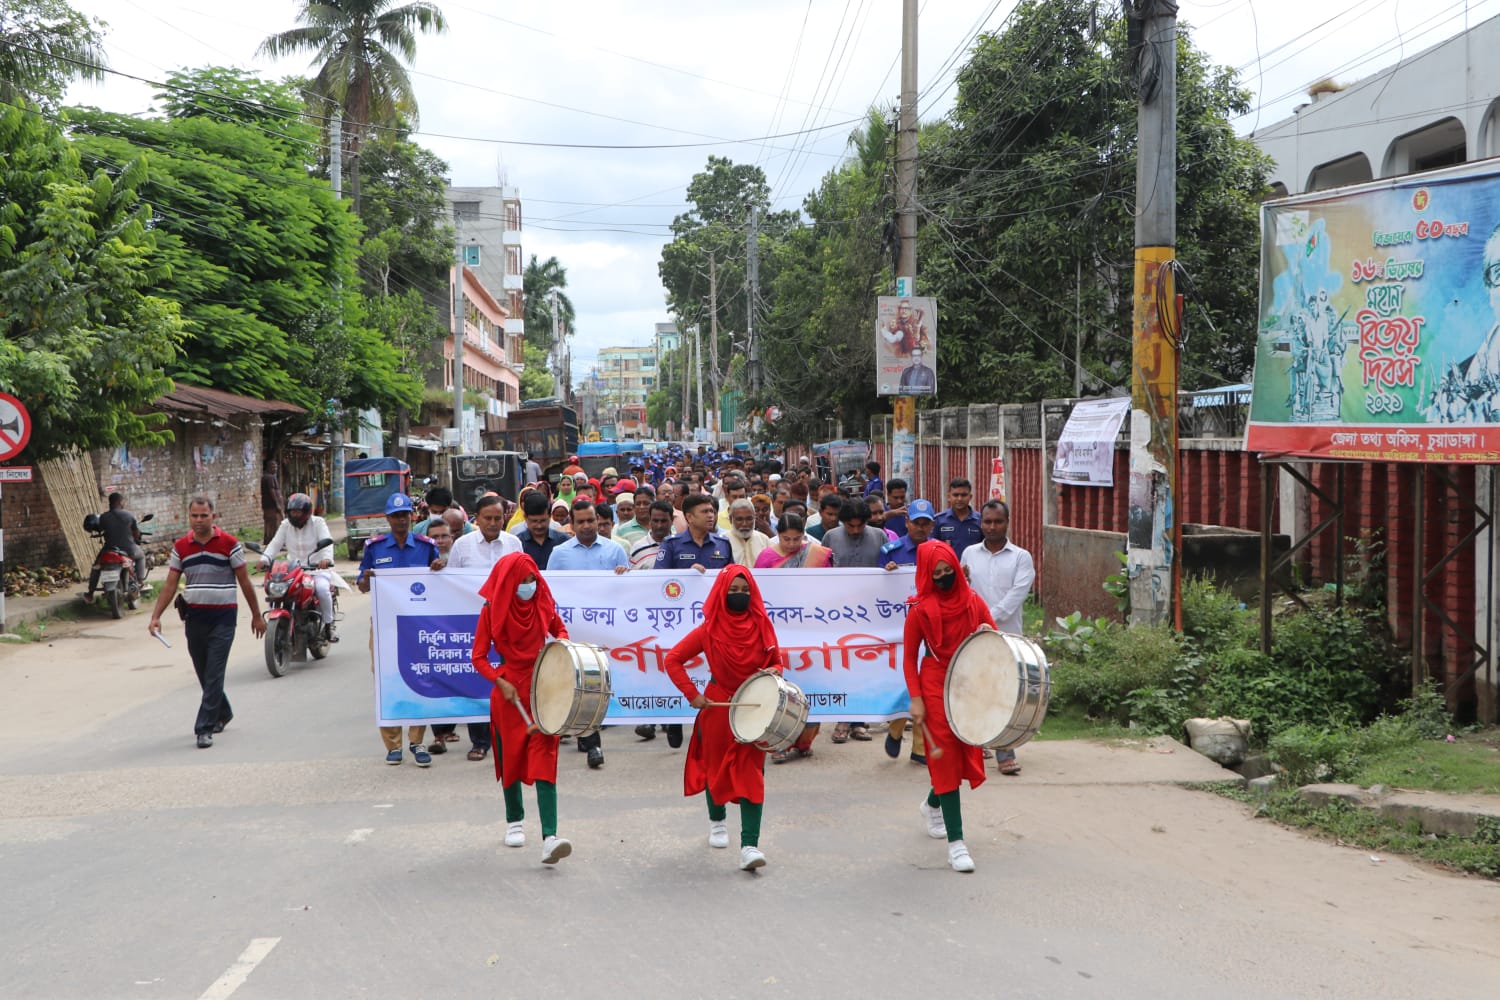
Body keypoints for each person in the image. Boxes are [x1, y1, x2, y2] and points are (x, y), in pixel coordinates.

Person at [663, 566, 781, 872]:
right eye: (733, 591)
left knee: (752, 773)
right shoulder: (709, 630)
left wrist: (773, 673)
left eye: (745, 591)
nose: (740, 596)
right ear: (721, 593)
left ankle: (750, 845)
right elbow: (672, 659)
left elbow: (777, 663)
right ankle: (717, 822)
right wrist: (692, 694)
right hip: (717, 707)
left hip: (754, 707)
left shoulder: (762, 626)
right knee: (715, 770)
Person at [470, 553, 574, 865]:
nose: (529, 586)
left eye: (532, 580)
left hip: (543, 687)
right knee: (511, 758)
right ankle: (514, 820)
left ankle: (550, 837)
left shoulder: (542, 602)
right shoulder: (491, 610)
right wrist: (499, 679)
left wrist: (560, 650)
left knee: (545, 758)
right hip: (509, 691)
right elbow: (478, 657)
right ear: (507, 583)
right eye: (522, 581)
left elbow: (561, 631)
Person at [147, 495, 266, 748]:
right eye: (194, 516)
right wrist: (156, 616)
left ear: (213, 516)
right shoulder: (181, 547)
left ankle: (204, 728)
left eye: (204, 515)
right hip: (195, 618)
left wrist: (256, 615)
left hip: (223, 618)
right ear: (188, 517)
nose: (199, 520)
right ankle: (222, 712)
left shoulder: (229, 544)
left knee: (214, 672)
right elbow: (170, 584)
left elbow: (244, 581)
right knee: (203, 671)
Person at [905, 541, 992, 873]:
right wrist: (916, 698)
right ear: (927, 575)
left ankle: (932, 804)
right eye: (936, 573)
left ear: (957, 568)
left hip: (967, 682)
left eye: (948, 571)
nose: (943, 577)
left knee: (960, 750)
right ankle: (957, 844)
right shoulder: (919, 610)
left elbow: (993, 638)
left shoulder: (973, 601)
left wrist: (986, 630)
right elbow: (909, 659)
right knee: (946, 759)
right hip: (934, 682)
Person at [356, 493, 442, 767]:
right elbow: (361, 584)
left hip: (418, 626)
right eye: (395, 516)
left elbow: (439, 581)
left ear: (412, 516)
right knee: (385, 678)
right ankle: (393, 745)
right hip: (384, 625)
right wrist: (366, 580)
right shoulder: (375, 547)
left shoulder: (426, 546)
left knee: (420, 677)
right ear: (388, 519)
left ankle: (417, 741)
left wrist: (440, 570)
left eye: (405, 515)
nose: (401, 520)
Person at [548, 499, 630, 770]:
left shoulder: (615, 550)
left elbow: (628, 593)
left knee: (598, 682)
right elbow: (551, 594)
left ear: (599, 521)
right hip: (573, 629)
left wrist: (624, 575)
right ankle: (589, 739)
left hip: (606, 629)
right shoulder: (559, 554)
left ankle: (591, 739)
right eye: (580, 521)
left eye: (590, 520)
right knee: (578, 681)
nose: (586, 526)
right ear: (571, 524)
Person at [442, 495, 522, 761]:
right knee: (479, 680)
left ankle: (511, 737)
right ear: (476, 519)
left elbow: (524, 580)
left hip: (510, 625)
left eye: (498, 518)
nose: (493, 523)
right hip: (475, 623)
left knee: (510, 678)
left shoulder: (514, 543)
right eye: (487, 518)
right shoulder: (462, 546)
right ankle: (480, 741)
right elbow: (451, 584)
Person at [960, 500, 1036, 776]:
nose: (992, 527)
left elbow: (1016, 596)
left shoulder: (1021, 557)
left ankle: (1005, 753)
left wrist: (987, 617)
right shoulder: (968, 554)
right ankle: (979, 742)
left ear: (1007, 523)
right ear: (981, 523)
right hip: (974, 636)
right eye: (987, 522)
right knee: (977, 689)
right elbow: (961, 590)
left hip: (1007, 637)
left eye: (997, 522)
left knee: (1006, 693)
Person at [882, 498, 936, 762]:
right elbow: (876, 590)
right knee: (903, 685)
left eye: (926, 524)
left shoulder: (939, 551)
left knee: (924, 685)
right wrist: (886, 572)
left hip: (930, 628)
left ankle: (918, 747)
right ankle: (895, 729)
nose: (920, 528)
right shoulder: (890, 550)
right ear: (907, 522)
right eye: (916, 523)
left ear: (932, 525)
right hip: (897, 629)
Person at [260, 492, 338, 641]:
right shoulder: (285, 525)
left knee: (322, 589)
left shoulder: (318, 523)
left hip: (316, 569)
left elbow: (327, 542)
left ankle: (329, 625)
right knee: (277, 591)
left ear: (306, 511)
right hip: (293, 570)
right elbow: (275, 544)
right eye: (292, 512)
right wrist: (264, 559)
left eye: (298, 512)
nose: (295, 515)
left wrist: (326, 559)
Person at [86, 491, 147, 601]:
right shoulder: (129, 515)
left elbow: (100, 529)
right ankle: (140, 582)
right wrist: (136, 538)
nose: (123, 503)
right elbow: (136, 532)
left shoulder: (103, 517)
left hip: (109, 549)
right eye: (123, 501)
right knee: (141, 556)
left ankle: (90, 593)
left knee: (96, 566)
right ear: (119, 502)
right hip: (129, 549)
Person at [513, 491, 569, 568]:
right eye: (534, 521)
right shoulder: (517, 544)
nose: (539, 526)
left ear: (549, 516)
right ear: (525, 518)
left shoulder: (564, 541)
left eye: (543, 521)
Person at [933, 478, 983, 559]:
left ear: (970, 497)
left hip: (973, 569)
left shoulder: (980, 520)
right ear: (949, 497)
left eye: (964, 495)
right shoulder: (938, 520)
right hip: (948, 569)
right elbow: (933, 548)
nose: (959, 499)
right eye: (955, 495)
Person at [629, 500, 675, 571]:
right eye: (655, 521)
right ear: (649, 520)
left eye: (664, 521)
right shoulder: (638, 548)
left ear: (672, 520)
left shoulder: (680, 545)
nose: (659, 526)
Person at [726, 498, 771, 568]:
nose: (744, 524)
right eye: (739, 519)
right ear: (731, 519)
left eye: (749, 519)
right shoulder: (723, 541)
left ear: (754, 518)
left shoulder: (764, 540)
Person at [260, 459, 283, 543]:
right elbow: (272, 490)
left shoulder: (266, 476)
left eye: (276, 467)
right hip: (272, 505)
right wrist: (277, 504)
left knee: (269, 523)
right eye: (273, 467)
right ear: (268, 467)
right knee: (274, 524)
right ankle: (274, 541)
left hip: (267, 505)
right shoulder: (270, 477)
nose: (275, 468)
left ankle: (268, 540)